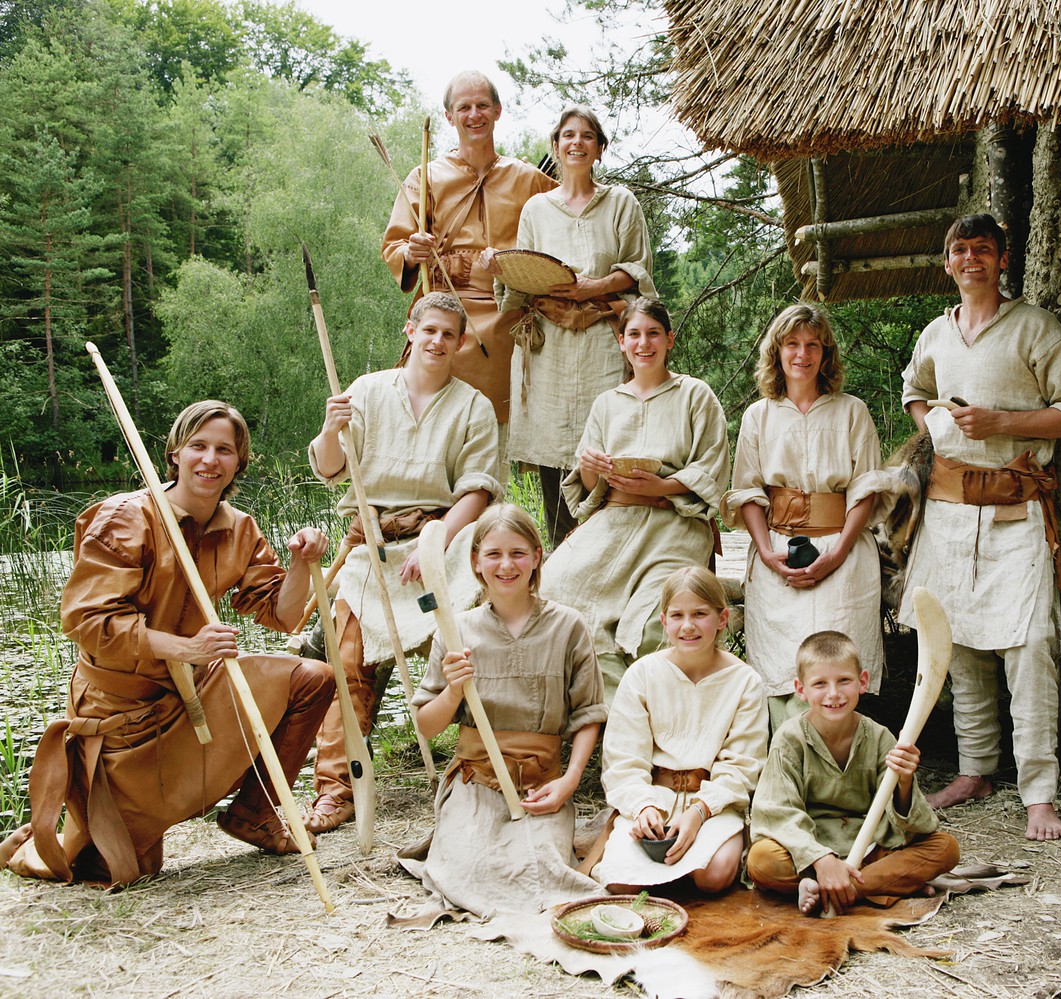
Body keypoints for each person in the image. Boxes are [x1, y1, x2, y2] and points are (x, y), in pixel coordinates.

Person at [0, 401, 335, 885]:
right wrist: (187, 648)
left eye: (224, 449)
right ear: (175, 453)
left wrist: (303, 563)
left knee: (312, 678)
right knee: (116, 870)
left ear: (239, 461)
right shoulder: (126, 517)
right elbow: (87, 622)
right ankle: (39, 837)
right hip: (123, 712)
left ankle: (255, 813)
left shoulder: (239, 528)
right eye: (198, 446)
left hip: (195, 691)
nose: (210, 460)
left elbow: (282, 616)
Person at [897, 213, 1061, 841]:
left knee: (1030, 643)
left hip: (1016, 507)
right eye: (961, 251)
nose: (971, 260)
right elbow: (912, 387)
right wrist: (932, 423)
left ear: (1001, 260)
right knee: (952, 642)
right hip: (950, 509)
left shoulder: (1035, 327)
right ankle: (976, 769)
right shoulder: (936, 332)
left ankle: (1038, 791)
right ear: (948, 264)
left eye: (983, 250)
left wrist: (1003, 423)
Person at [305, 292, 501, 834]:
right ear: (410, 330)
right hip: (372, 545)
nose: (438, 341)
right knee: (347, 662)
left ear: (461, 343)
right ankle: (337, 787)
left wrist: (435, 541)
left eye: (449, 334)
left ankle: (482, 762)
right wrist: (328, 429)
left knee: (468, 643)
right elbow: (330, 469)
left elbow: (477, 492)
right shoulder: (366, 391)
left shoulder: (473, 406)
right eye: (429, 330)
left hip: (445, 541)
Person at [395, 504, 606, 918]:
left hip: (541, 783)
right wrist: (454, 690)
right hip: (475, 780)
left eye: (518, 553)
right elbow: (427, 724)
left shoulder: (569, 626)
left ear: (537, 557)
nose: (506, 565)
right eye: (493, 554)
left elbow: (589, 714)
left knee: (540, 872)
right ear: (475, 562)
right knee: (466, 871)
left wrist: (569, 782)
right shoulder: (456, 630)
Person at [481, 105, 656, 547]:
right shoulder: (537, 209)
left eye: (586, 135)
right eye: (567, 135)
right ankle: (560, 554)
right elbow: (526, 273)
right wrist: (498, 267)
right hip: (548, 346)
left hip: (602, 339)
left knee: (606, 439)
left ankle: (605, 548)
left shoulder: (620, 203)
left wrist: (593, 286)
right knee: (553, 444)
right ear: (555, 147)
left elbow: (637, 270)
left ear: (599, 149)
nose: (576, 142)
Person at [541, 297, 729, 701]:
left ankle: (667, 719)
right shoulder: (607, 403)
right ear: (622, 343)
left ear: (669, 340)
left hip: (674, 524)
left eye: (653, 334)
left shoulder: (695, 394)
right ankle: (611, 714)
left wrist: (662, 487)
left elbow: (712, 466)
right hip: (613, 521)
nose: (644, 343)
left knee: (650, 622)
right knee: (554, 592)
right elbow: (589, 487)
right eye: (634, 335)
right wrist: (592, 464)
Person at [722, 303, 890, 730]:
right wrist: (765, 552)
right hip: (777, 550)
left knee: (839, 658)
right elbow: (748, 490)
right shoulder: (758, 416)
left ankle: (841, 757)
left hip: (843, 550)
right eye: (792, 344)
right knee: (782, 662)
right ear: (777, 352)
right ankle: (788, 755)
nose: (802, 354)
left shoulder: (852, 411)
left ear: (825, 353)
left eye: (812, 345)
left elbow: (866, 490)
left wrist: (836, 556)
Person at [381, 70, 556, 434]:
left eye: (482, 106)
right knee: (429, 423)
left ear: (497, 111)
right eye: (464, 107)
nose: (474, 115)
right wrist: (413, 252)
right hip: (442, 310)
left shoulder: (527, 178)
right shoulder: (424, 175)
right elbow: (395, 245)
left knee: (494, 431)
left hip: (504, 316)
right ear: (449, 116)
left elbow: (570, 210)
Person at [747, 631, 960, 914]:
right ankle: (880, 885)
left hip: (869, 847)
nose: (833, 694)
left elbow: (913, 825)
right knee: (762, 860)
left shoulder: (880, 737)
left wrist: (905, 781)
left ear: (862, 682)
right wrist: (820, 859)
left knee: (945, 848)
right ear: (801, 689)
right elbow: (776, 812)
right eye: (820, 684)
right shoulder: (790, 739)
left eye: (844, 681)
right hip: (810, 848)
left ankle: (837, 888)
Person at [593, 567, 767, 893]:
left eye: (700, 614)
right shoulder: (642, 675)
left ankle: (702, 858)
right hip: (654, 797)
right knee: (620, 884)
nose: (688, 625)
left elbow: (743, 763)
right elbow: (623, 757)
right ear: (664, 621)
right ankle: (653, 863)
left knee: (714, 877)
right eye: (678, 615)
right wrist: (643, 806)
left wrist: (700, 811)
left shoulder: (745, 682)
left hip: (712, 804)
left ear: (722, 618)